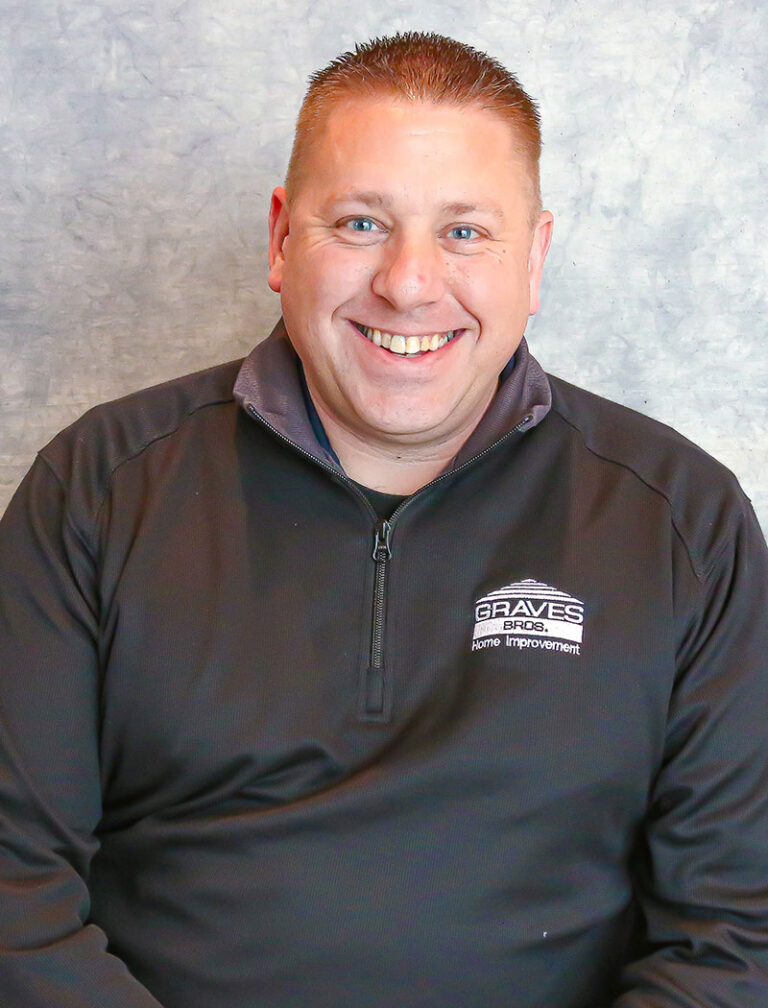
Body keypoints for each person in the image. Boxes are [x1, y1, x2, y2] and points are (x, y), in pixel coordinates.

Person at [0, 30, 767, 1008]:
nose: (409, 283)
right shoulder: (99, 488)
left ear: (534, 257)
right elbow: (12, 886)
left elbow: (736, 930)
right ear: (282, 239)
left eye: (464, 232)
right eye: (361, 224)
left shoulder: (681, 522)